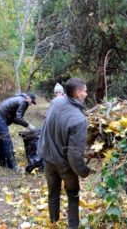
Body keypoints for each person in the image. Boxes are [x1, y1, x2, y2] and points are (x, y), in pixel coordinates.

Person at [37, 78, 91, 229]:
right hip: (64, 165)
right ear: (78, 92)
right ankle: (72, 226)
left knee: (53, 193)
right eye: (85, 91)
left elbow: (46, 128)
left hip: (48, 158)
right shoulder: (79, 120)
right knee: (73, 194)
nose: (86, 94)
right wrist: (84, 171)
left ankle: (53, 222)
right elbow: (74, 155)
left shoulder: (56, 102)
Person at [0, 93, 37, 171]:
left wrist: (25, 125)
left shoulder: (19, 99)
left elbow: (15, 118)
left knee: (1, 142)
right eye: (31, 101)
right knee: (7, 143)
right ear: (28, 98)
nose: (31, 104)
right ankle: (13, 166)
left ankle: (3, 163)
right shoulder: (24, 102)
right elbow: (19, 118)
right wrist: (29, 125)